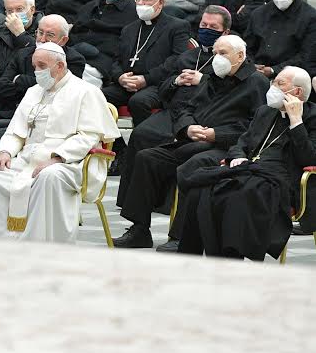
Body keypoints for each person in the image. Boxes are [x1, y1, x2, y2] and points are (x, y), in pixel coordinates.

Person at [112, 34, 270, 248]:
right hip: (195, 140)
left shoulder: (256, 83)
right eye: (215, 53)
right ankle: (139, 229)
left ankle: (181, 237)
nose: (217, 58)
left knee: (195, 166)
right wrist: (187, 128)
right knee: (147, 157)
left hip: (228, 148)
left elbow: (256, 125)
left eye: (223, 53)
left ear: (240, 56)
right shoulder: (213, 77)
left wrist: (217, 134)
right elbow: (186, 108)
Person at [0, 15, 86, 230]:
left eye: (50, 35)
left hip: (48, 134)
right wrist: (19, 84)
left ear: (63, 41)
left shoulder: (73, 60)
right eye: (40, 32)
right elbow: (4, 85)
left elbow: (56, 90)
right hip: (15, 118)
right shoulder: (24, 54)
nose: (42, 38)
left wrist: (19, 81)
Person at [0, 42, 120, 243]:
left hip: (71, 162)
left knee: (49, 176)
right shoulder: (33, 91)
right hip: (28, 158)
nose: (36, 72)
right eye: (34, 66)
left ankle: (40, 244)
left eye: (42, 66)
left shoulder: (86, 91)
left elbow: (89, 136)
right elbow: (16, 131)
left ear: (60, 66)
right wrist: (5, 152)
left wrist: (57, 158)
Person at [174, 67, 316, 261]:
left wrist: (296, 122)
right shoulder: (265, 112)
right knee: (200, 189)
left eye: (279, 84)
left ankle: (233, 257)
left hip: (279, 181)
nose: (272, 87)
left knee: (236, 196)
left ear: (297, 91)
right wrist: (237, 157)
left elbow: (309, 158)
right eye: (273, 82)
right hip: (247, 170)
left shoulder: (312, 117)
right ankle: (197, 256)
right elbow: (241, 143)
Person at [114, 7, 232, 211]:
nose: (206, 29)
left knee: (174, 142)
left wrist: (203, 80)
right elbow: (163, 88)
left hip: (203, 116)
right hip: (174, 111)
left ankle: (165, 202)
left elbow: (231, 91)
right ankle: (132, 201)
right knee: (141, 133)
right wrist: (176, 81)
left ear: (225, 32)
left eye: (213, 27)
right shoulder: (187, 56)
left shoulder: (229, 61)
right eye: (203, 25)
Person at [101, 0, 191, 123]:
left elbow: (177, 60)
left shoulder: (177, 27)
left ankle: (144, 137)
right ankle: (111, 138)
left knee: (138, 101)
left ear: (160, 3)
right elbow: (116, 60)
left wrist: (146, 79)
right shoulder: (129, 29)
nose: (141, 3)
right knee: (97, 96)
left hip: (158, 84)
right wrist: (120, 78)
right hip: (127, 84)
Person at [67, 0, 138, 85]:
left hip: (103, 63)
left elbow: (126, 46)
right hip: (75, 54)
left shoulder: (134, 13)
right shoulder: (88, 7)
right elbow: (75, 33)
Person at [246, 0, 316, 79]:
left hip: (291, 75)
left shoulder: (310, 17)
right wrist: (252, 65)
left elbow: (306, 56)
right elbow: (248, 46)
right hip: (256, 72)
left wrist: (274, 70)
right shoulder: (259, 14)